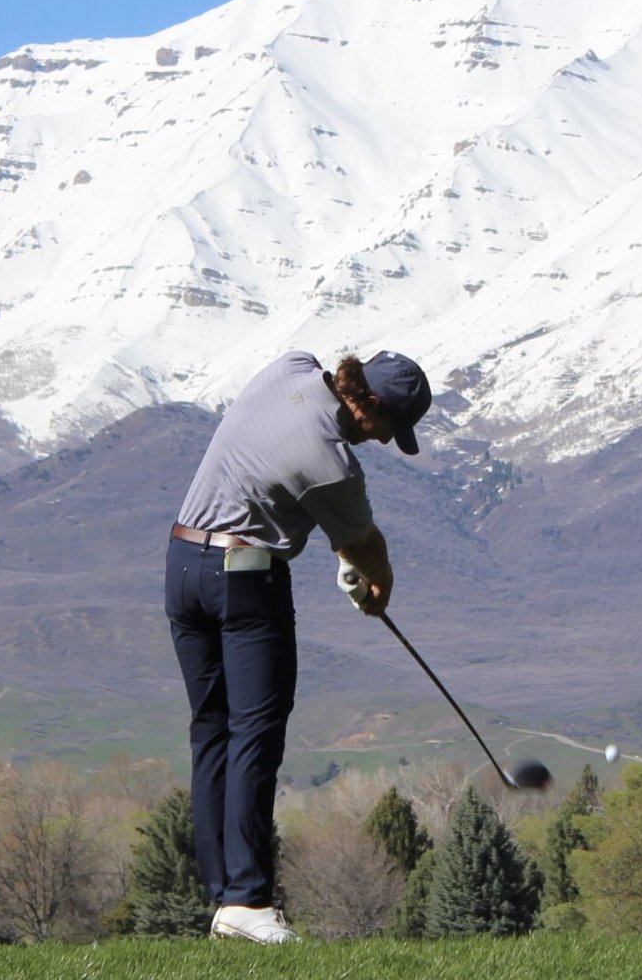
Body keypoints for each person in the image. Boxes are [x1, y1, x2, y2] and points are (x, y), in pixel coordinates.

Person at [165, 348, 431, 943]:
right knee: (255, 732)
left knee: (212, 729)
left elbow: (277, 469)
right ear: (372, 409)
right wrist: (375, 587)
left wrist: (342, 558)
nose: (387, 441)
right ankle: (249, 901)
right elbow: (365, 544)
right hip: (243, 577)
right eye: (392, 428)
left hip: (182, 564)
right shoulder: (334, 464)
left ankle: (223, 898)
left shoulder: (291, 368)